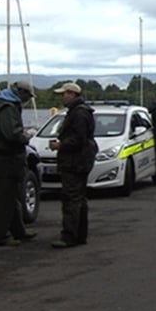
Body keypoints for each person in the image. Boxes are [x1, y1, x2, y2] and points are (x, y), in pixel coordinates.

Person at [0, 81, 38, 246]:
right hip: (3, 160)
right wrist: (26, 137)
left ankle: (18, 232)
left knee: (11, 198)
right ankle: (1, 236)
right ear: (20, 92)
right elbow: (11, 135)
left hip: (1, 159)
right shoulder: (7, 107)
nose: (27, 100)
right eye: (27, 95)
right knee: (3, 200)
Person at [49, 82, 97, 249]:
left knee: (71, 198)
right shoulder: (80, 112)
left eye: (64, 94)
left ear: (72, 94)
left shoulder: (78, 114)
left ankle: (69, 236)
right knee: (79, 198)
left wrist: (61, 145)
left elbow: (78, 139)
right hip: (80, 160)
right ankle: (79, 234)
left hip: (75, 161)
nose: (62, 97)